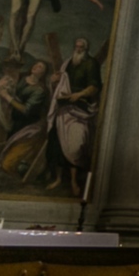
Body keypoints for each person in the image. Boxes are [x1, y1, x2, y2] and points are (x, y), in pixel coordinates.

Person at [45, 37, 104, 194]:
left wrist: (79, 94)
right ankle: (58, 179)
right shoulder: (68, 63)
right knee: (57, 144)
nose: (78, 49)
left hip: (81, 108)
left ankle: (73, 181)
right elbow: (61, 81)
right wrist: (54, 81)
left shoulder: (91, 64)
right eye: (76, 46)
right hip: (64, 107)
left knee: (76, 145)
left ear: (86, 48)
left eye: (81, 47)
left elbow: (94, 87)